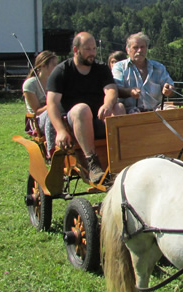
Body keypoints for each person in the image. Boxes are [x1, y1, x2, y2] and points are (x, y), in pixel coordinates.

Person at [46, 32, 124, 184]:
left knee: (118, 107)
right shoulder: (61, 71)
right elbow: (52, 104)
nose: (92, 53)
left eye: (94, 48)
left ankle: (122, 159)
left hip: (98, 120)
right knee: (82, 109)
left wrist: (107, 104)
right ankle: (92, 162)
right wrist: (61, 130)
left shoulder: (101, 69)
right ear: (76, 50)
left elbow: (111, 90)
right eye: (88, 49)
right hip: (73, 122)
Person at [112, 32, 175, 113]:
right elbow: (116, 89)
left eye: (142, 47)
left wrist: (169, 90)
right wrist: (130, 92)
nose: (140, 50)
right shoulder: (119, 67)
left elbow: (172, 88)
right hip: (130, 110)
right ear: (127, 50)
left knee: (173, 112)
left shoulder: (159, 67)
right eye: (135, 47)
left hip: (157, 108)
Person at [22, 50, 58, 153]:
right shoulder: (30, 84)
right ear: (43, 65)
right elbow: (36, 110)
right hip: (38, 120)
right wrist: (52, 104)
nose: (56, 68)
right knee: (51, 112)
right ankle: (51, 150)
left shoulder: (56, 82)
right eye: (53, 65)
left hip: (55, 115)